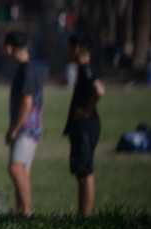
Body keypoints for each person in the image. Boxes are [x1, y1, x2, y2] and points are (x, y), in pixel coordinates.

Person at [4, 32, 45, 217]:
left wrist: (15, 128)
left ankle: (27, 213)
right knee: (23, 170)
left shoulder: (26, 70)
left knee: (16, 168)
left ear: (10, 47)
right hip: (30, 127)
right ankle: (21, 211)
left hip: (26, 128)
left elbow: (27, 102)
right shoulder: (30, 68)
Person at [63, 34, 104, 218]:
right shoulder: (82, 69)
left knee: (86, 171)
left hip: (86, 125)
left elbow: (99, 90)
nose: (68, 52)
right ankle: (82, 215)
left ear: (78, 49)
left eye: (70, 48)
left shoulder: (86, 69)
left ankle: (86, 216)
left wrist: (87, 110)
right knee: (81, 171)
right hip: (82, 125)